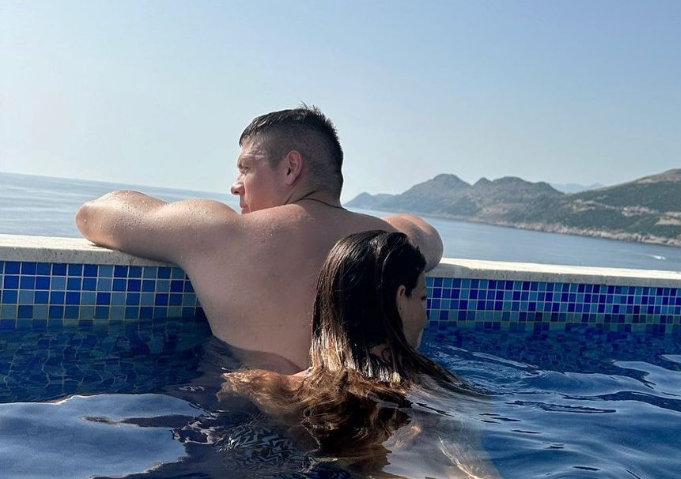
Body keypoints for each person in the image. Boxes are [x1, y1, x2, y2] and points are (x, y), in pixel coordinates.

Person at [76, 105, 443, 370]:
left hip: (254, 427)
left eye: (246, 168)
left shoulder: (219, 233)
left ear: (291, 167)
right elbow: (427, 235)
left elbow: (94, 214)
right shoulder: (392, 244)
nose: (235, 186)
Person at [221, 231, 502, 478]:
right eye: (422, 298)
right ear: (400, 299)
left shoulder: (267, 387)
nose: (426, 316)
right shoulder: (438, 394)